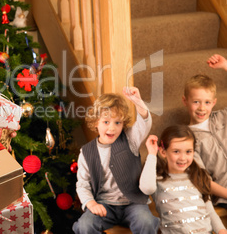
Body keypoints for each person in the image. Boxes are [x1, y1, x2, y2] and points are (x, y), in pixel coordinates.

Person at [72, 87, 159, 234]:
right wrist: (91, 203)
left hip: (133, 203)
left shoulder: (130, 139)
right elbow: (82, 184)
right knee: (84, 226)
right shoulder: (86, 152)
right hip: (104, 204)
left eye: (117, 123)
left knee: (147, 222)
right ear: (95, 123)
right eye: (106, 122)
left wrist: (138, 102)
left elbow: (144, 123)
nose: (112, 128)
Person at [139, 125, 227, 233]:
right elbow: (147, 188)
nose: (183, 158)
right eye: (176, 151)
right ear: (163, 152)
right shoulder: (158, 180)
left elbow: (211, 213)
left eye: (188, 151)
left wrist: (222, 231)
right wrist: (152, 154)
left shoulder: (198, 177)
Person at [182, 68, 227, 208]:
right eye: (196, 102)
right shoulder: (187, 139)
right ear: (185, 101)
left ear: (214, 102)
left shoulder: (221, 118)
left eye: (207, 102)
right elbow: (203, 180)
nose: (202, 108)